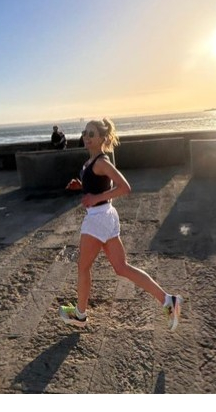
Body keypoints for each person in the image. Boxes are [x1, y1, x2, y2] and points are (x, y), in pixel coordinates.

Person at [60, 118, 183, 331]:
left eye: (91, 134)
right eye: (85, 133)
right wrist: (81, 185)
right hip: (105, 217)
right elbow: (99, 184)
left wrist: (95, 198)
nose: (86, 137)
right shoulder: (90, 162)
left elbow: (124, 187)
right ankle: (168, 300)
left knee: (83, 267)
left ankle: (80, 315)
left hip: (97, 218)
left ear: (102, 138)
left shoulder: (101, 162)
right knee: (121, 267)